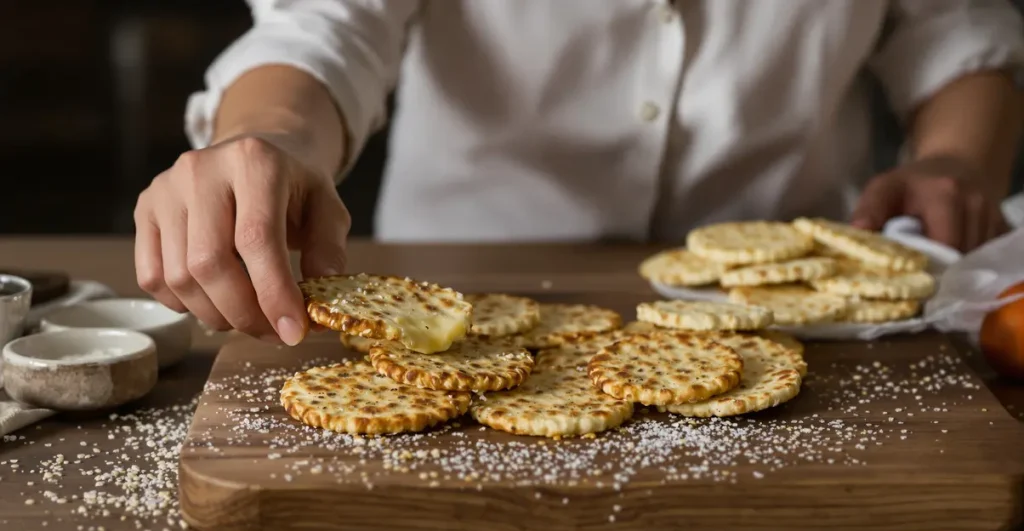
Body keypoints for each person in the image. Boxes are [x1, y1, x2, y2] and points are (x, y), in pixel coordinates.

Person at [133, 0, 1024, 346]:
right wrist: (270, 139)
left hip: (805, 313)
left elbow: (957, 31)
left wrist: (954, 157)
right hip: (458, 286)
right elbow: (326, 27)